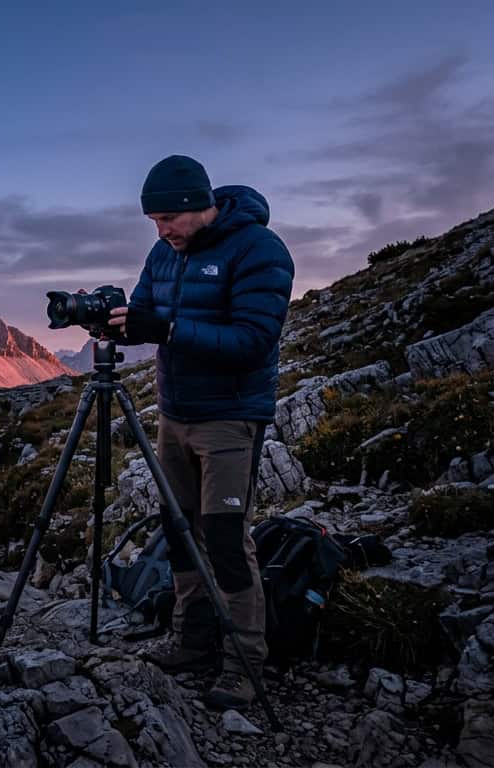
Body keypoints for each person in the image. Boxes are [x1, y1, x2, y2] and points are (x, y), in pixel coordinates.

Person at [106, 154, 294, 711]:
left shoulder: (259, 249)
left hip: (230, 417)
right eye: (153, 223)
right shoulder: (165, 252)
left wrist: (164, 328)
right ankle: (191, 640)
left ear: (196, 205)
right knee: (179, 528)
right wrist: (114, 318)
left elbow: (253, 340)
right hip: (174, 414)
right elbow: (143, 309)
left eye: (168, 219)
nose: (161, 233)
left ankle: (243, 665)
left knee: (225, 540)